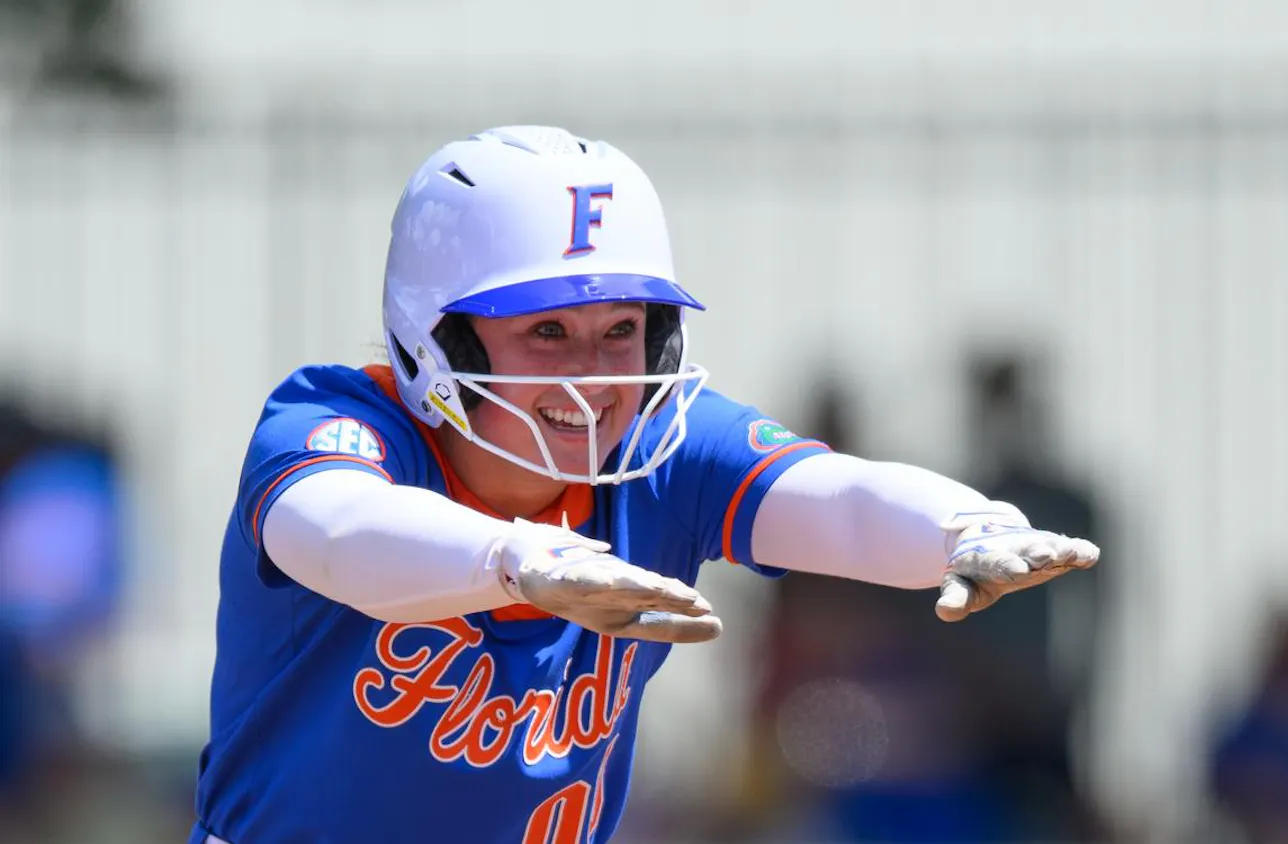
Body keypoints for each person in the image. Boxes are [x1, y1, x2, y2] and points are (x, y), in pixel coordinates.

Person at [189, 125, 1101, 844]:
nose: (595, 374)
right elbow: (342, 534)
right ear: (439, 341)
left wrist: (958, 524)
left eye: (622, 329)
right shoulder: (338, 426)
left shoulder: (656, 451)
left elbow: (837, 498)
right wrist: (515, 558)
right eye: (547, 332)